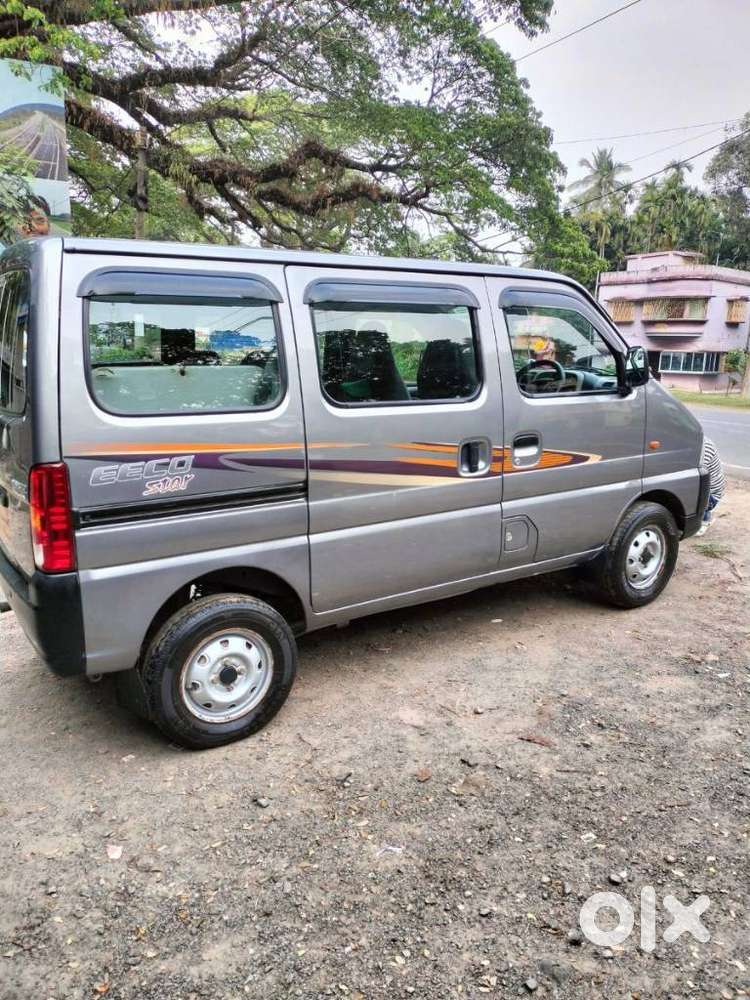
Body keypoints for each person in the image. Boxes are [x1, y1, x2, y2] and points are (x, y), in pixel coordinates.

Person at [695, 436, 725, 536]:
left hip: (711, 495)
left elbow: (696, 474)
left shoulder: (703, 447)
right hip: (708, 489)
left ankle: (703, 519)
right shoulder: (696, 441)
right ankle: (704, 515)